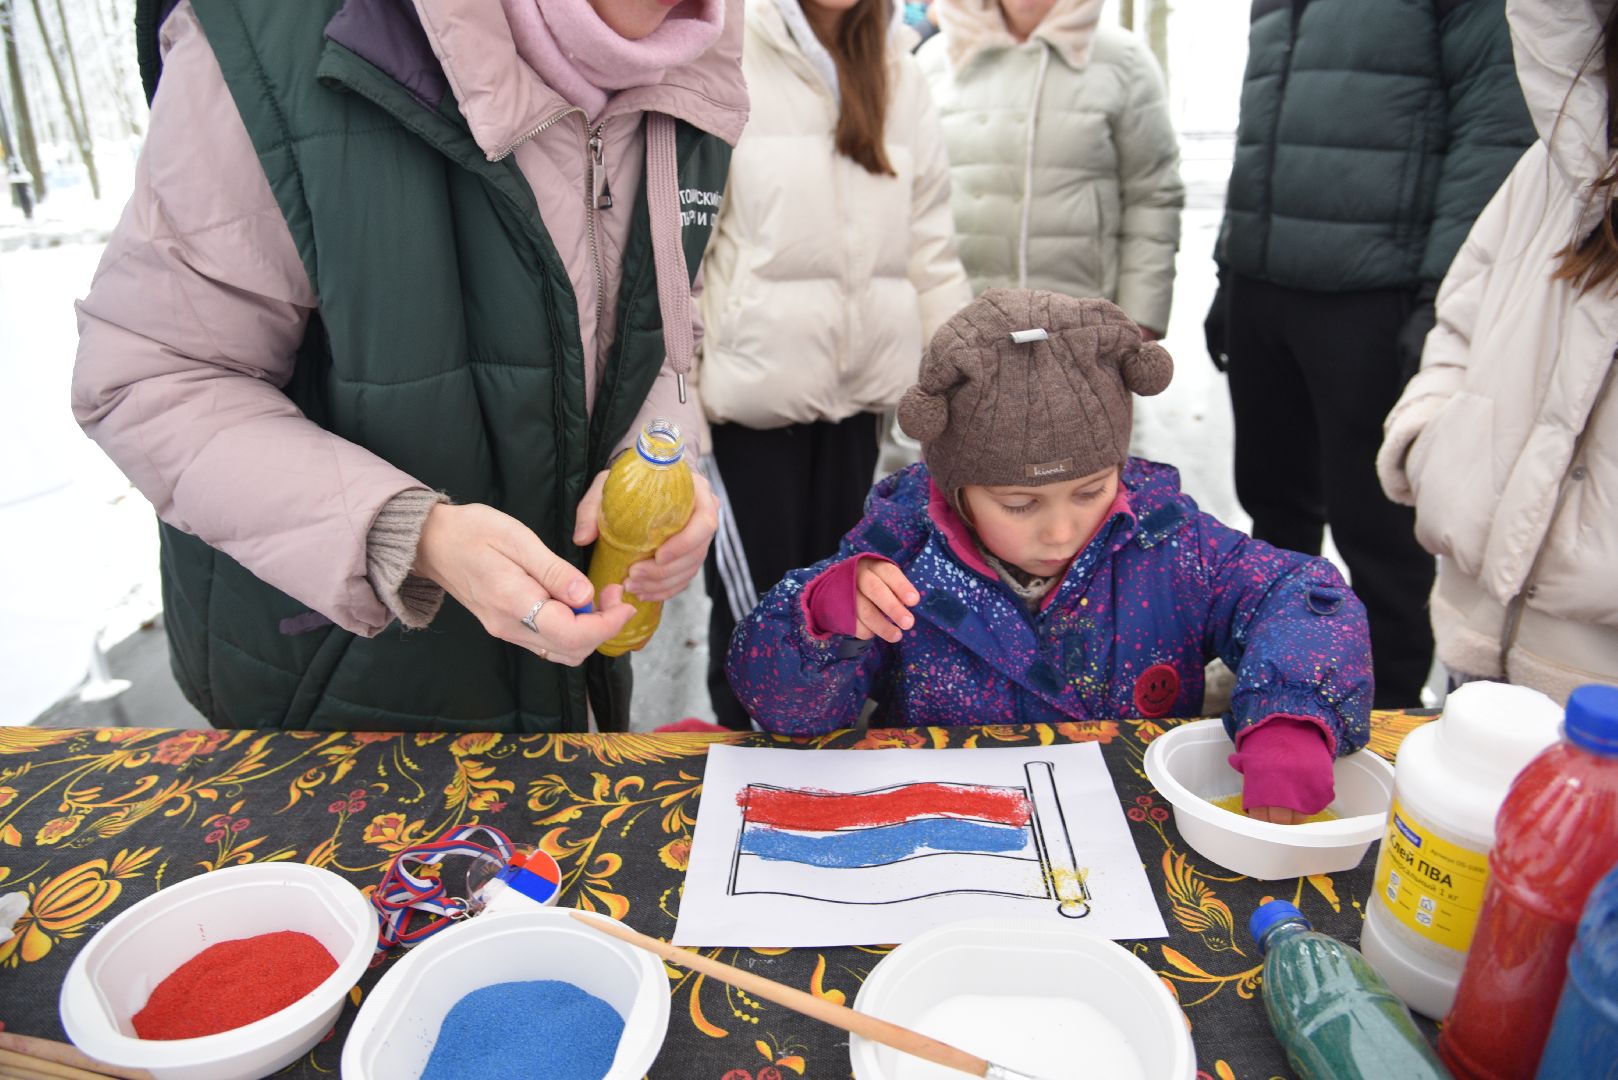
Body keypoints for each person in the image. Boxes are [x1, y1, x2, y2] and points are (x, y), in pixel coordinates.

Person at [70, 0, 748, 732]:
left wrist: (658, 457)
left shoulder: (704, 61)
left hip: (568, 694)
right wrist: (410, 535)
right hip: (334, 705)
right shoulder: (271, 35)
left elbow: (673, 312)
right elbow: (152, 375)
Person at [728, 290, 1374, 823]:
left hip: (1132, 828)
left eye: (1090, 491)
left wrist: (1293, 711)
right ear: (956, 492)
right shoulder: (900, 560)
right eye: (1019, 505)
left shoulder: (1171, 542)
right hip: (957, 832)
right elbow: (790, 716)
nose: (1062, 531)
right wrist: (821, 617)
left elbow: (1300, 594)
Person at [1205, 0, 1535, 708]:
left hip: (1371, 291)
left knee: (1382, 536)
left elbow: (1493, 126)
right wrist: (1229, 272)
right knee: (1273, 508)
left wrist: (1438, 294)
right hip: (1266, 284)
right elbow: (1264, 125)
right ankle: (1274, 675)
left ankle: (1383, 711)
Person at [697, 0, 971, 729]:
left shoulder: (895, 67)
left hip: (859, 401)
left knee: (848, 611)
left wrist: (965, 394)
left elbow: (929, 248)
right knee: (760, 621)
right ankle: (746, 782)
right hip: (746, 404)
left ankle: (825, 787)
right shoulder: (726, 48)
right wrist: (676, 411)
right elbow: (686, 246)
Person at [1377, 0, 1618, 704]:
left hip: (1597, 692)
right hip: (1477, 648)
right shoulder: (1552, 169)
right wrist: (1430, 442)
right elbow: (1459, 323)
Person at [917, 0, 1182, 340]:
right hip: (962, 337)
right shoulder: (932, 63)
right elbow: (915, 206)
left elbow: (1153, 194)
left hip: (1085, 337)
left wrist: (1138, 321)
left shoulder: (1124, 60)